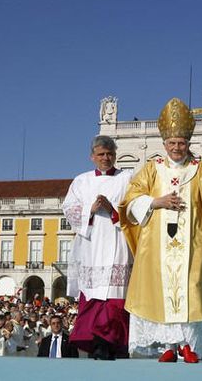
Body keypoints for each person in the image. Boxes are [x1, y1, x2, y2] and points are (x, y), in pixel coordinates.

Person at [120, 97, 202, 363]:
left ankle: (189, 346)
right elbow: (130, 202)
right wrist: (156, 201)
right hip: (157, 245)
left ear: (188, 143)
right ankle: (169, 347)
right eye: (172, 143)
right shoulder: (152, 169)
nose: (176, 147)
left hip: (194, 244)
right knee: (162, 292)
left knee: (192, 289)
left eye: (181, 143)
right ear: (164, 144)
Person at [62, 135, 133, 360]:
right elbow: (69, 208)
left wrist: (113, 210)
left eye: (110, 154)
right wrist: (90, 210)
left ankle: (111, 343)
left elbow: (136, 207)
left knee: (115, 299)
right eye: (101, 154)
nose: (106, 158)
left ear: (115, 155)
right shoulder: (81, 181)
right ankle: (92, 342)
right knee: (92, 297)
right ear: (92, 157)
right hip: (91, 244)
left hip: (117, 240)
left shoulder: (127, 179)